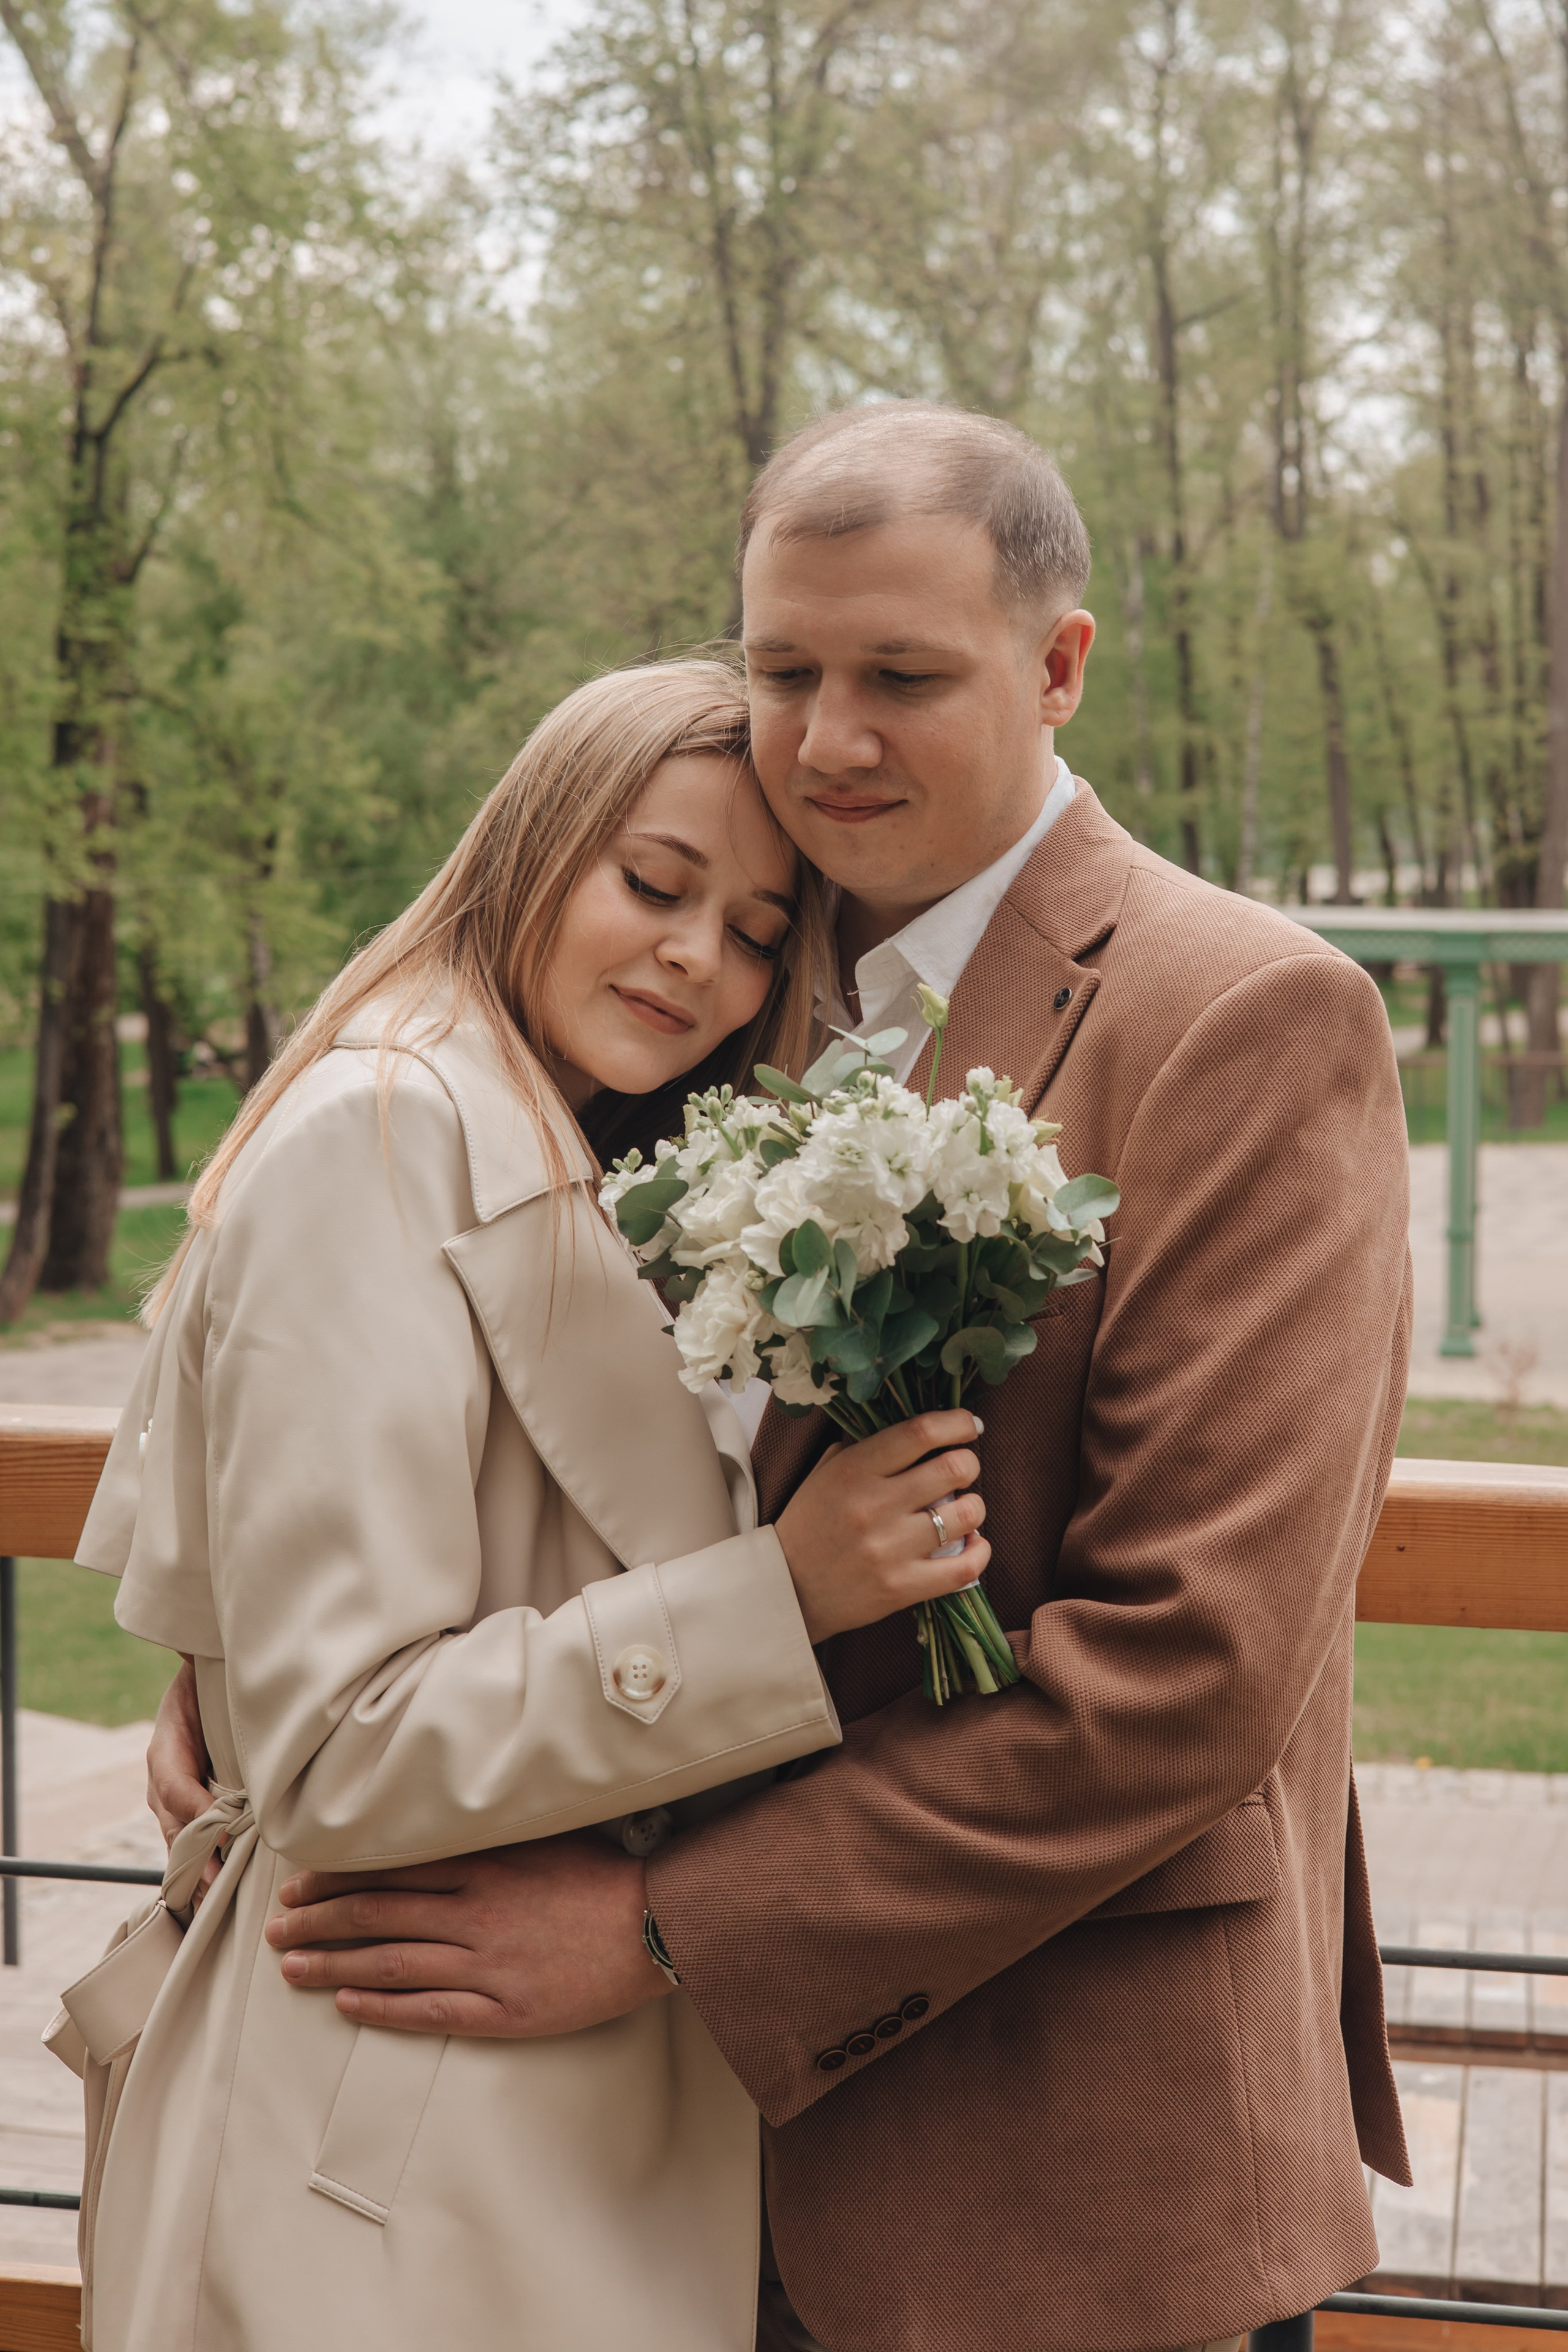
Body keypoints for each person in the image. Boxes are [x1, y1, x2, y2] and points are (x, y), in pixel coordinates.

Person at [151, 405, 1414, 2352]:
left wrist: (667, 1939)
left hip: (1055, 2174)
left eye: (903, 677)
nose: (826, 740)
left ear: (1059, 665)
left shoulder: (1242, 1019)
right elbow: (412, 1337)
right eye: (784, 669)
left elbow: (1184, 1674)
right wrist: (246, 1655)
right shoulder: (718, 962)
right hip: (659, 2193)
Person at [61, 658, 992, 2352]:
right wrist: (784, 1601)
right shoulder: (388, 1131)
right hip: (395, 2130)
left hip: (511, 2127)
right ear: (535, 845)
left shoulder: (558, 1147)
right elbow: (345, 1743)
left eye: (763, 927)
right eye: (653, 882)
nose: (700, 957)